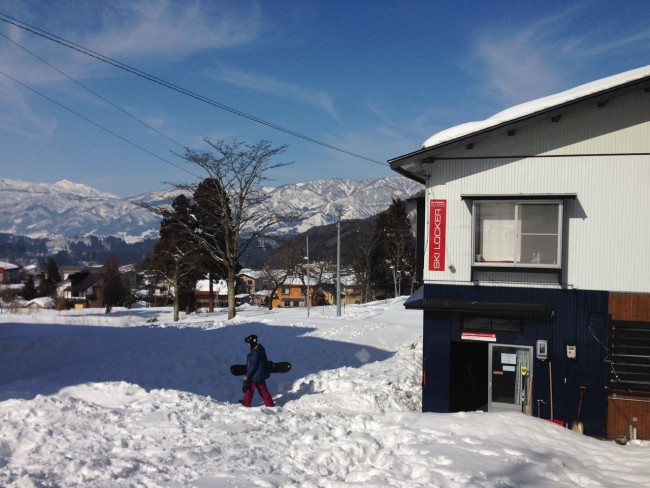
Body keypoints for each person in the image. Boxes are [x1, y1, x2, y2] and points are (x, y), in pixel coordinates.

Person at [241, 334, 275, 407]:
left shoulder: (256, 352)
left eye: (248, 344)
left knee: (262, 390)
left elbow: (253, 366)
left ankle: (270, 404)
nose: (248, 345)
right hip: (257, 374)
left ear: (252, 343)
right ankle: (245, 402)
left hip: (257, 375)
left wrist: (247, 376)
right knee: (250, 388)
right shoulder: (258, 350)